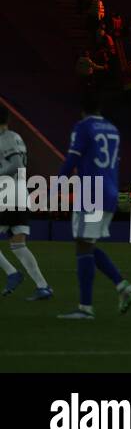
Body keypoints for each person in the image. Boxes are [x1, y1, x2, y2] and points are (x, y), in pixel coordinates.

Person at [57, 94, 131, 319]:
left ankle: (85, 308)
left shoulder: (83, 127)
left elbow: (72, 159)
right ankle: (122, 285)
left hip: (91, 192)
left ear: (81, 109)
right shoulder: (113, 129)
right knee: (87, 244)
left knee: (83, 246)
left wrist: (55, 186)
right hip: (109, 191)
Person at [0, 106, 53, 301]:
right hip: (20, 194)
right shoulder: (16, 137)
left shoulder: (5, 138)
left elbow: (17, 165)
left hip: (8, 195)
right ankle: (43, 286)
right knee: (19, 245)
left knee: (18, 244)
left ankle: (12, 273)